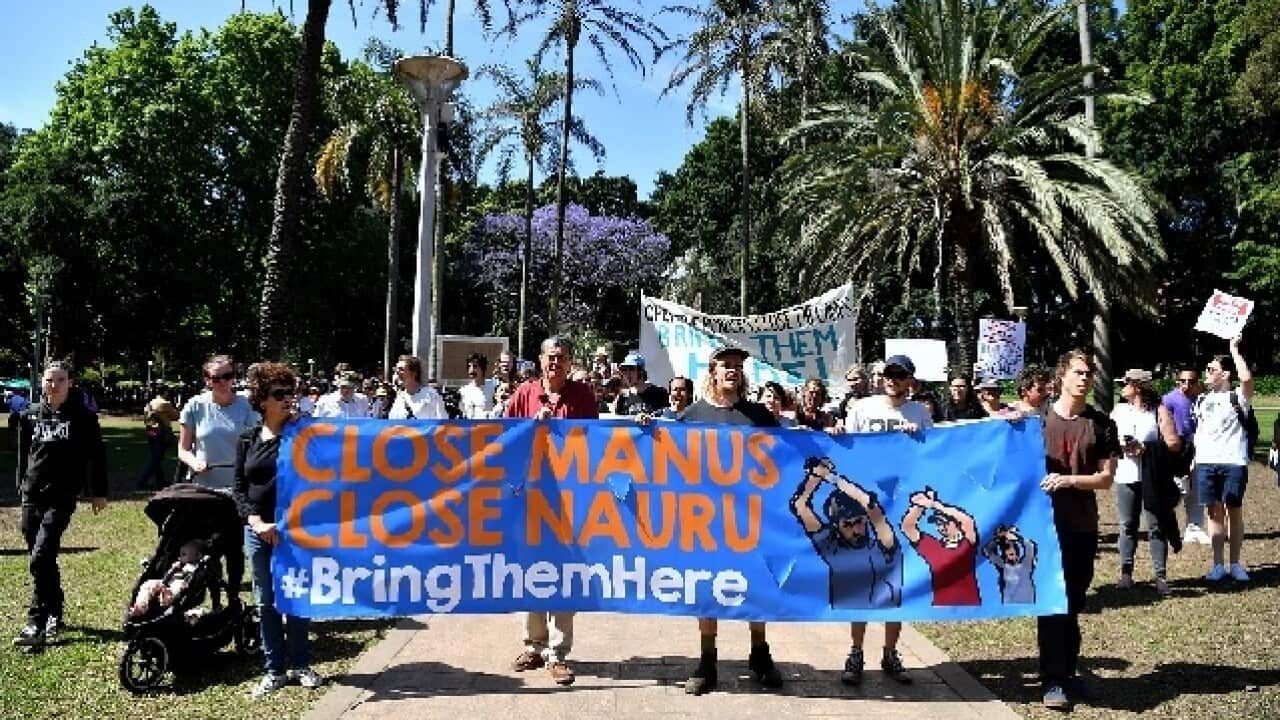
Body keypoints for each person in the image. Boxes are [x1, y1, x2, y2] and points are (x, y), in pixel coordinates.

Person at [675, 345, 783, 695]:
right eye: (726, 365)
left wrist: (835, 435)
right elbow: (666, 462)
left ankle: (759, 651)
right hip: (706, 522)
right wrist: (647, 430)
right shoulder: (691, 415)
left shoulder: (759, 416)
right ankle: (707, 661)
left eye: (738, 366)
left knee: (755, 586)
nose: (732, 371)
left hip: (751, 519)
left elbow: (793, 452)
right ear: (713, 371)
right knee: (708, 587)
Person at [505, 336, 598, 686]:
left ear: (571, 362)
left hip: (568, 501)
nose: (554, 363)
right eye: (549, 357)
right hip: (529, 498)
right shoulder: (524, 394)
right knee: (531, 570)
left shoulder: (583, 396)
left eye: (561, 357)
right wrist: (532, 427)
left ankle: (557, 654)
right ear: (540, 360)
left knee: (562, 572)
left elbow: (595, 441)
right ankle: (533, 644)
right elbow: (504, 436)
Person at [839, 353, 932, 686]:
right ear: (881, 377)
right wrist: (837, 432)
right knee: (863, 579)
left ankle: (891, 652)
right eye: (889, 373)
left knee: (897, 581)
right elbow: (846, 450)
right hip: (866, 505)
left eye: (900, 374)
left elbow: (934, 455)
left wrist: (917, 439)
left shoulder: (920, 413)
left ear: (911, 380)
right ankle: (855, 652)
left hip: (901, 507)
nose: (893, 379)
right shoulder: (863, 408)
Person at [1037, 349, 1120, 710]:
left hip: (1082, 527)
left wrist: (1068, 480)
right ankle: (1052, 680)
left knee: (1072, 603)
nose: (1085, 378)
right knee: (1051, 604)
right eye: (1078, 372)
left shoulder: (1102, 424)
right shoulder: (1035, 421)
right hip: (1042, 528)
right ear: (1061, 377)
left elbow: (1105, 478)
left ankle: (1068, 673)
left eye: (1089, 373)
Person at [233, 362, 321, 697]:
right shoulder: (247, 439)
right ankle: (274, 670)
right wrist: (255, 521)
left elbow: (322, 478)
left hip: (295, 530)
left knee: (297, 598)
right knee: (266, 601)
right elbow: (239, 489)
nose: (289, 399)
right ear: (262, 400)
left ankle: (301, 665)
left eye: (292, 392)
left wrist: (304, 431)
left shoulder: (303, 435)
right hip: (259, 531)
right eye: (280, 393)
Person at [13, 361, 109, 648]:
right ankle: (55, 608)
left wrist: (98, 492)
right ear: (42, 382)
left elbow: (96, 456)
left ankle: (36, 621)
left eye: (60, 380)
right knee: (41, 557)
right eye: (49, 380)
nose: (53, 385)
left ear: (70, 383)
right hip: (32, 494)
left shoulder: (83, 418)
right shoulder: (29, 415)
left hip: (62, 495)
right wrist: (21, 485)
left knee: (41, 555)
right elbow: (23, 454)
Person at [1110, 368, 1183, 596]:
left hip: (1153, 477)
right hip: (1125, 475)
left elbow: (1174, 443)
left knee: (1156, 526)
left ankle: (1160, 577)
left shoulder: (1158, 411)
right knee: (1127, 525)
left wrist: (1146, 448)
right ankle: (1125, 574)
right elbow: (1108, 439)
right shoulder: (1118, 410)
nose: (1121, 386)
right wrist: (1121, 446)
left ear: (1138, 386)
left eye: (1126, 382)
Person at [1192, 336, 1254, 582]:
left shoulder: (1238, 397)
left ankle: (1236, 563)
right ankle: (1218, 564)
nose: (1206, 373)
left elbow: (1247, 379)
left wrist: (1234, 350)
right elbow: (1199, 432)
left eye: (1212, 369)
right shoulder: (1201, 400)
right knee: (1214, 513)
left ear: (1225, 374)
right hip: (1207, 463)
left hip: (1233, 462)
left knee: (1234, 511)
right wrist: (1194, 461)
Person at [178, 356, 260, 490]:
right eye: (216, 378)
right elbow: (183, 450)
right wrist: (195, 463)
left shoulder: (248, 405)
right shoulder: (194, 405)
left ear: (234, 377)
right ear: (207, 380)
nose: (222, 382)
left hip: (240, 486)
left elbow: (258, 444)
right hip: (203, 486)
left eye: (227, 376)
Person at [902, 488, 979, 606]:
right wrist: (919, 506)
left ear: (956, 524)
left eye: (945, 523)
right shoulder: (933, 547)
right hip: (941, 610)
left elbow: (968, 521)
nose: (941, 527)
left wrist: (936, 505)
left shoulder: (966, 545)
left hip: (970, 609)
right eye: (938, 524)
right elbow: (908, 527)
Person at [1163, 365, 1209, 545]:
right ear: (1177, 381)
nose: (1187, 385)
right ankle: (1166, 523)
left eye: (1191, 381)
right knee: (1179, 487)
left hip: (1199, 446)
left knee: (1197, 489)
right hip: (1176, 449)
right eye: (1183, 381)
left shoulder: (1202, 399)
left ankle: (1194, 527)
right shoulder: (1169, 400)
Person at [139, 391, 180, 489]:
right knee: (155, 459)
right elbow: (176, 416)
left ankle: (160, 481)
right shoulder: (164, 404)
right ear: (165, 392)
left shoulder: (151, 403)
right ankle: (142, 482)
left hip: (151, 432)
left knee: (156, 457)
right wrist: (178, 408)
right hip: (162, 432)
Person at [615, 351, 669, 416]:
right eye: (624, 370)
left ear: (641, 371)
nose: (627, 374)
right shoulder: (623, 397)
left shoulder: (660, 393)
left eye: (631, 369)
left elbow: (667, 417)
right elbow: (619, 422)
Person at [459, 353, 498, 419]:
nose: (471, 370)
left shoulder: (493, 387)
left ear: (482, 368)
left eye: (475, 366)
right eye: (469, 366)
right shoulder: (463, 391)